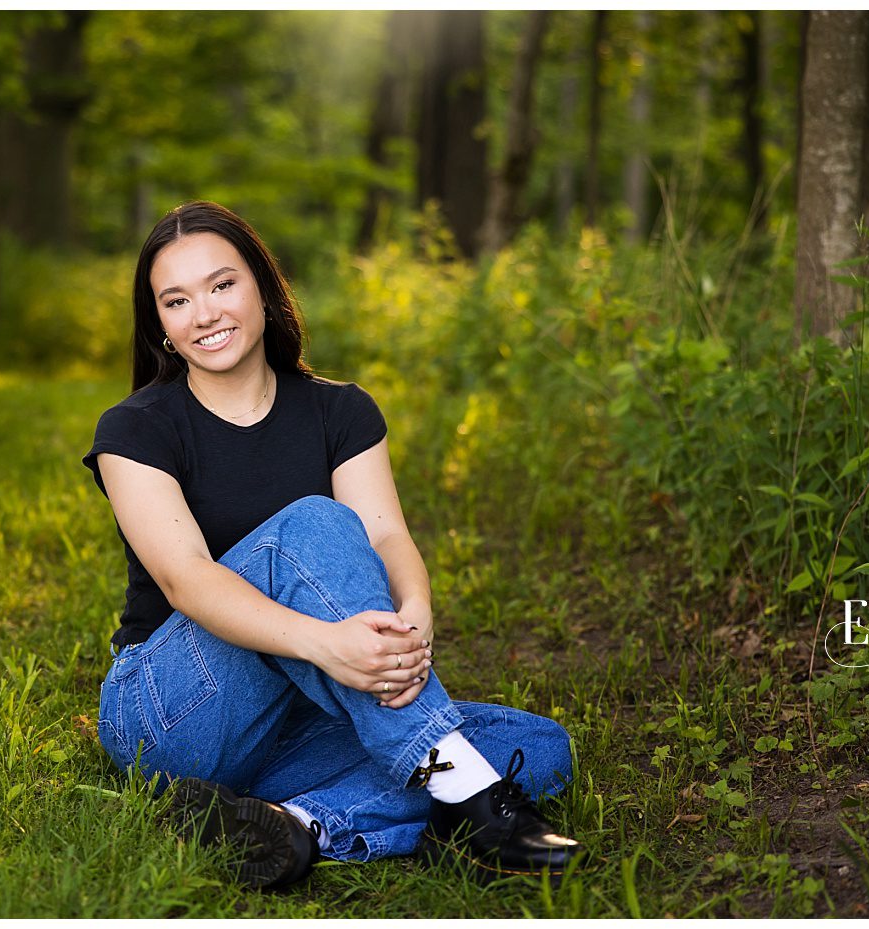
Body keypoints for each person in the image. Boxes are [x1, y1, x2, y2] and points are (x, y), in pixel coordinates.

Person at [82, 201, 582, 888]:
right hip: (176, 711)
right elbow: (186, 579)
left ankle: (293, 825)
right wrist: (325, 644)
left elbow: (386, 536)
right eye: (177, 300)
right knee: (312, 526)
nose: (204, 313)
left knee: (538, 745)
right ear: (161, 325)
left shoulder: (339, 411)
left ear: (262, 285)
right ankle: (464, 793)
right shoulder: (135, 429)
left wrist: (414, 618)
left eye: (222, 285)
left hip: (299, 717)